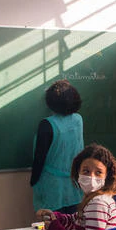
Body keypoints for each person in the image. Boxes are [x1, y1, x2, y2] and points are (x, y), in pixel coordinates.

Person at [30, 80, 84, 214]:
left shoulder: (47, 124)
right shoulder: (78, 120)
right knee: (72, 226)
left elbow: (39, 157)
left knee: (52, 227)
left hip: (51, 187)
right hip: (74, 184)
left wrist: (34, 182)